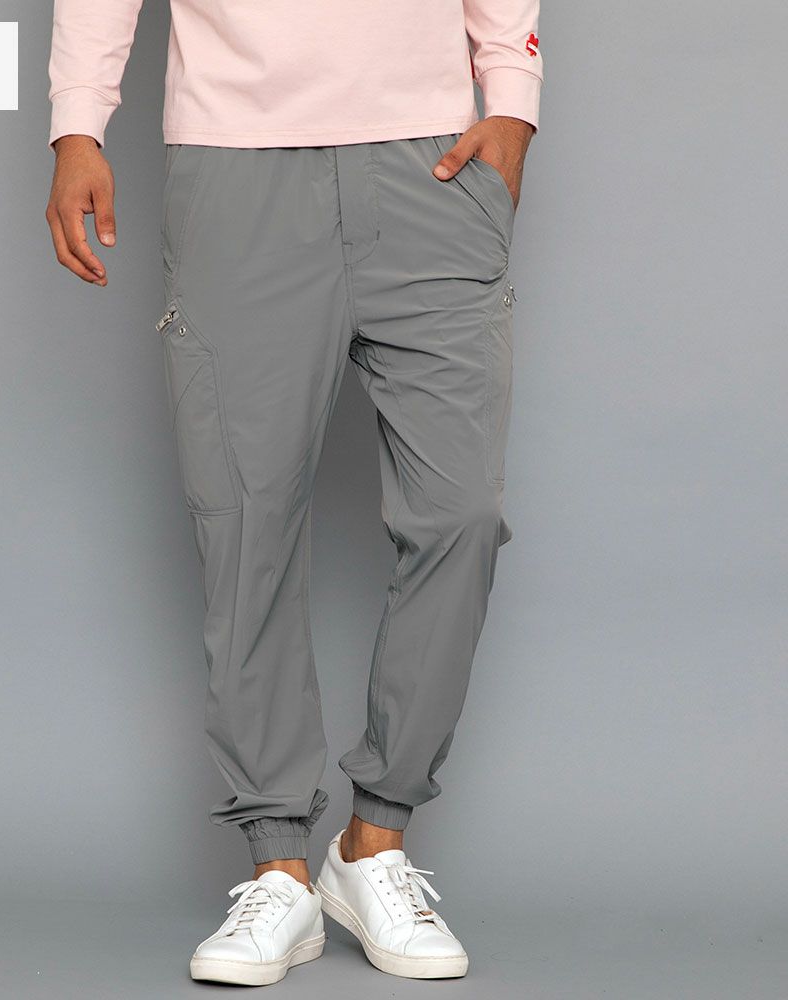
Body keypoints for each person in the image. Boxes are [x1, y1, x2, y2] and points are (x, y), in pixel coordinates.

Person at [46, 0, 542, 985]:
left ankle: (373, 842)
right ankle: (277, 867)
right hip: (236, 162)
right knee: (247, 522)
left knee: (461, 513)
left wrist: (514, 99)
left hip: (432, 162)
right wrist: (77, 125)